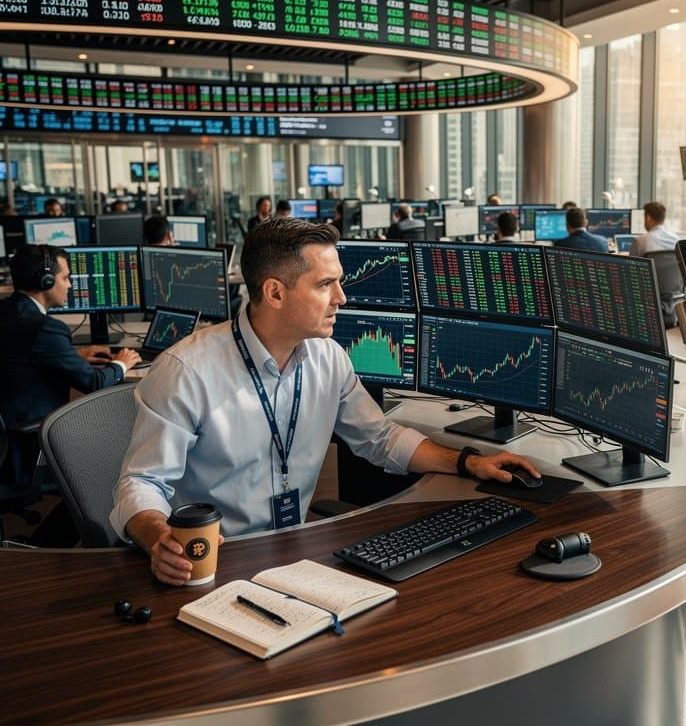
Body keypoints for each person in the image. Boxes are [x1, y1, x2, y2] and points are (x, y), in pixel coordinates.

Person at [110, 218, 538, 585]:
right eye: (325, 285)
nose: (342, 299)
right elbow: (142, 483)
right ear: (275, 293)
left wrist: (466, 462)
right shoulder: (188, 370)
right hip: (217, 560)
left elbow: (380, 438)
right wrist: (157, 537)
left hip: (293, 553)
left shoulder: (327, 356)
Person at [0, 245, 140, 543]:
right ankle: (51, 549)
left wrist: (72, 354)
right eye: (66, 277)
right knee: (102, 472)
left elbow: (20, 355)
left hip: (7, 438)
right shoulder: (45, 329)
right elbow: (95, 384)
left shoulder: (7, 312)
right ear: (46, 282)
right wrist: (121, 363)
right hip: (24, 448)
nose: (70, 284)